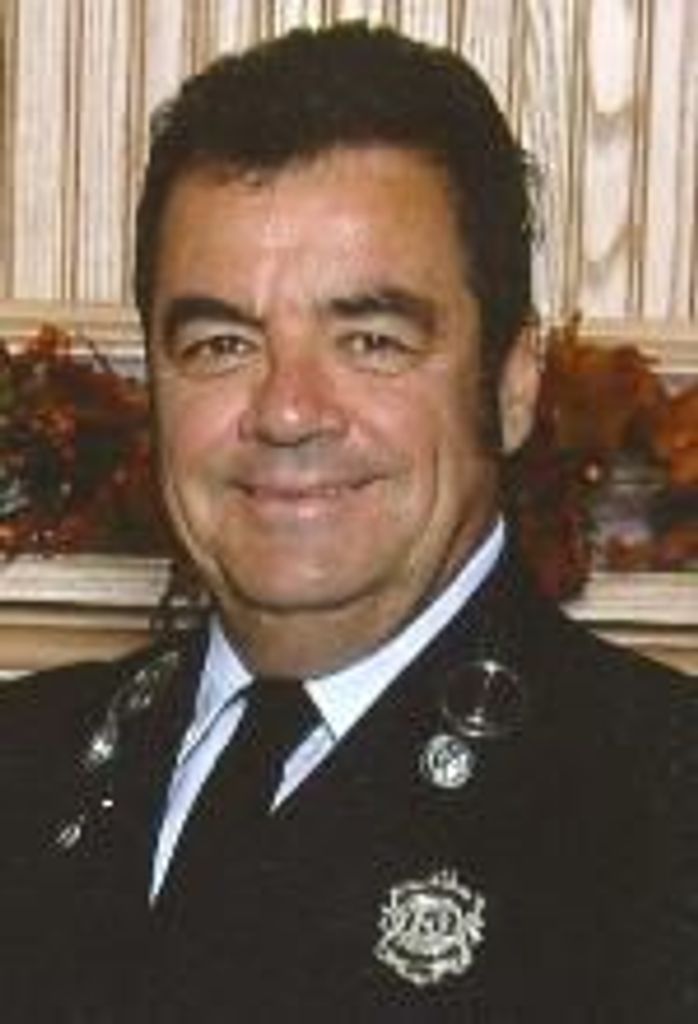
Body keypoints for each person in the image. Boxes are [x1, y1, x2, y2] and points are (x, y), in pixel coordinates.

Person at [0, 21, 695, 1023]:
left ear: (511, 386)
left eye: (371, 340)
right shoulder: (24, 762)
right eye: (220, 343)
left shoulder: (658, 809)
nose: (287, 412)